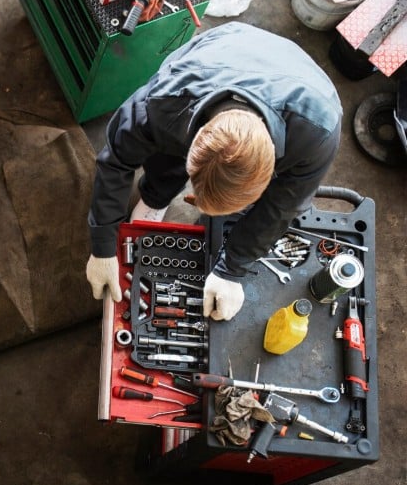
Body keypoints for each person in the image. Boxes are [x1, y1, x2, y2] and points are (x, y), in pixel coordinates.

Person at [85, 22, 342, 320]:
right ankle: (157, 196)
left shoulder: (317, 135)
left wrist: (232, 269)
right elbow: (116, 159)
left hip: (301, 82)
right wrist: (103, 245)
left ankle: (177, 197)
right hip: (226, 47)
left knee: (278, 209)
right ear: (193, 142)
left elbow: (280, 208)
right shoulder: (164, 101)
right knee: (164, 158)